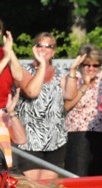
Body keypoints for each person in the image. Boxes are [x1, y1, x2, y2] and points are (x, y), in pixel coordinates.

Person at [14, 33, 79, 180]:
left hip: (55, 140)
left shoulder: (61, 73)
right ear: (33, 49)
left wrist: (73, 70)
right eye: (40, 45)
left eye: (48, 46)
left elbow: (70, 95)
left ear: (54, 51)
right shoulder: (24, 70)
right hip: (29, 141)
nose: (44, 49)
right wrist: (42, 65)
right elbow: (31, 92)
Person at [63, 44, 102, 180]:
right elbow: (67, 105)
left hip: (100, 133)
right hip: (78, 133)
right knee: (77, 177)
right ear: (81, 65)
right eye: (87, 65)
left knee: (98, 178)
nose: (91, 68)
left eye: (95, 65)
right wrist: (85, 86)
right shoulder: (73, 78)